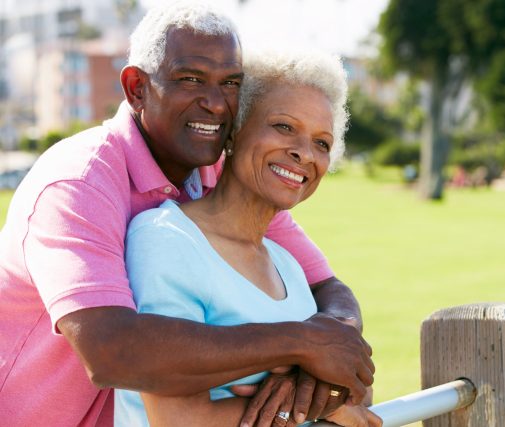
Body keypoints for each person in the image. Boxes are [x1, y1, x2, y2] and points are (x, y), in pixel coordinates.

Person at [0, 3, 373, 426]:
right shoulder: (79, 183)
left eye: (230, 83)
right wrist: (303, 345)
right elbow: (112, 352)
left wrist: (314, 374)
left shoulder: (218, 171)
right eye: (191, 79)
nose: (215, 104)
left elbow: (328, 290)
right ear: (137, 87)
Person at [115, 49, 382, 427]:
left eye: (321, 143)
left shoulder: (286, 265)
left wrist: (305, 383)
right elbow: (177, 419)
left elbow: (357, 382)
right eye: (284, 127)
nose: (303, 153)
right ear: (234, 131)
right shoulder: (165, 240)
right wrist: (323, 407)